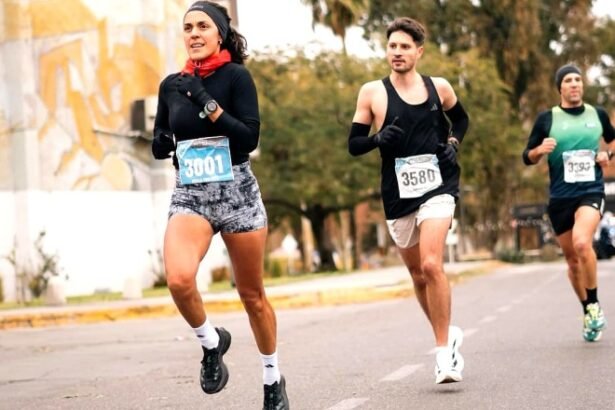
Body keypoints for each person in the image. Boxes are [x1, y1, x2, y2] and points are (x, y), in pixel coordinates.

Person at [152, 2, 289, 408]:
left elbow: (248, 138)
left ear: (220, 34)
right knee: (179, 280)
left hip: (237, 194)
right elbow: (162, 134)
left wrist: (205, 101)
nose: (194, 34)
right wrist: (161, 142)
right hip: (191, 194)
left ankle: (272, 379)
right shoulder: (171, 85)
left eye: (203, 26)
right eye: (188, 27)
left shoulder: (236, 78)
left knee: (252, 295)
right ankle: (211, 342)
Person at [348, 17, 469, 384]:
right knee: (417, 275)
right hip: (398, 193)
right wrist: (377, 139)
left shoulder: (439, 87)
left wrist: (453, 143)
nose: (397, 52)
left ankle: (443, 353)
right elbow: (354, 144)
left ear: (419, 52)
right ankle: (446, 335)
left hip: (438, 185)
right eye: (392, 46)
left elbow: (461, 120)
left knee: (431, 265)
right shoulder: (372, 93)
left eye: (404, 47)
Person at [523, 64, 615, 342]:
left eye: (578, 79)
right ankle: (588, 310)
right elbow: (527, 156)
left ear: (582, 85)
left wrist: (607, 156)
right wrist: (540, 150)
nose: (574, 84)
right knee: (573, 262)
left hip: (591, 191)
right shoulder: (547, 119)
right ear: (560, 88)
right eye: (568, 80)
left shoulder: (597, 114)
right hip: (560, 197)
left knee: (582, 243)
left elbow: (612, 141)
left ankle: (594, 304)